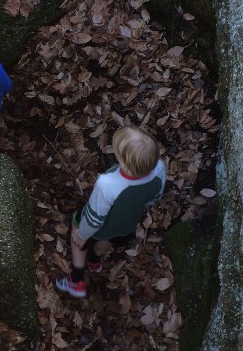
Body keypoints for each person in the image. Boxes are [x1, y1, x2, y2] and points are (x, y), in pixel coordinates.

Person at [55, 126, 166, 299]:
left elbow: (93, 218)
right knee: (111, 239)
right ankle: (94, 259)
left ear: (123, 161)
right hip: (128, 224)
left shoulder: (108, 184)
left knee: (78, 223)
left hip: (103, 225)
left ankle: (76, 280)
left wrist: (82, 235)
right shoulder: (159, 169)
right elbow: (154, 197)